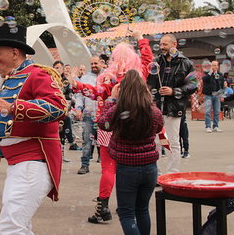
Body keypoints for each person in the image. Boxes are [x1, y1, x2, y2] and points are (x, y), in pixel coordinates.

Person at [0, 24, 67, 234]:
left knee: (10, 228)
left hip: (33, 164)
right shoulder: (6, 83)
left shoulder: (37, 75)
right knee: (19, 228)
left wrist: (13, 107)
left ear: (15, 53)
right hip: (19, 167)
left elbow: (59, 107)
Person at [73, 30, 152, 224]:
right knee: (131, 163)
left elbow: (94, 93)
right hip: (134, 126)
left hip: (106, 127)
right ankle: (131, 204)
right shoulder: (140, 75)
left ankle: (103, 208)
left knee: (108, 167)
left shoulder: (108, 78)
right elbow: (148, 58)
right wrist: (140, 38)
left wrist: (74, 83)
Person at [97, 70, 164, 235]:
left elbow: (102, 123)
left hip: (127, 168)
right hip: (150, 168)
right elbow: (159, 127)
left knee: (127, 213)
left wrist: (112, 99)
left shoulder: (118, 110)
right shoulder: (153, 111)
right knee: (142, 210)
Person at [147, 34, 196, 174]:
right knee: (155, 141)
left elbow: (193, 85)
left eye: (165, 45)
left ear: (174, 44)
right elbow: (149, 83)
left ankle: (172, 173)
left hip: (174, 108)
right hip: (156, 108)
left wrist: (174, 91)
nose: (162, 47)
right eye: (161, 44)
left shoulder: (186, 63)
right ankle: (155, 173)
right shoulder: (157, 62)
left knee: (173, 141)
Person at [74, 56, 103, 174]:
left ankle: (107, 165)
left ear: (102, 63)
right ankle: (84, 164)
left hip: (104, 114)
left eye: (95, 63)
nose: (93, 66)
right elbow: (80, 95)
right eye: (91, 64)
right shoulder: (85, 78)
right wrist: (79, 109)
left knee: (105, 141)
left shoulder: (107, 76)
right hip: (89, 114)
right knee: (86, 140)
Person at [53, 60, 75, 163]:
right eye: (56, 67)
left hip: (63, 110)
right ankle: (54, 154)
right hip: (53, 110)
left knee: (62, 134)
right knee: (53, 133)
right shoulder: (50, 80)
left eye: (60, 67)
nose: (58, 69)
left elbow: (69, 96)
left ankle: (61, 154)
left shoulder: (66, 82)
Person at [202, 60, 224, 132]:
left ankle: (216, 126)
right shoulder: (206, 73)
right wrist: (210, 73)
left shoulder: (220, 74)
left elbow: (221, 84)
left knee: (217, 111)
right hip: (208, 94)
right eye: (212, 65)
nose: (213, 67)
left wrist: (221, 95)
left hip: (217, 95)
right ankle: (208, 126)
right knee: (208, 111)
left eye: (215, 65)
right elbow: (204, 80)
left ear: (217, 66)